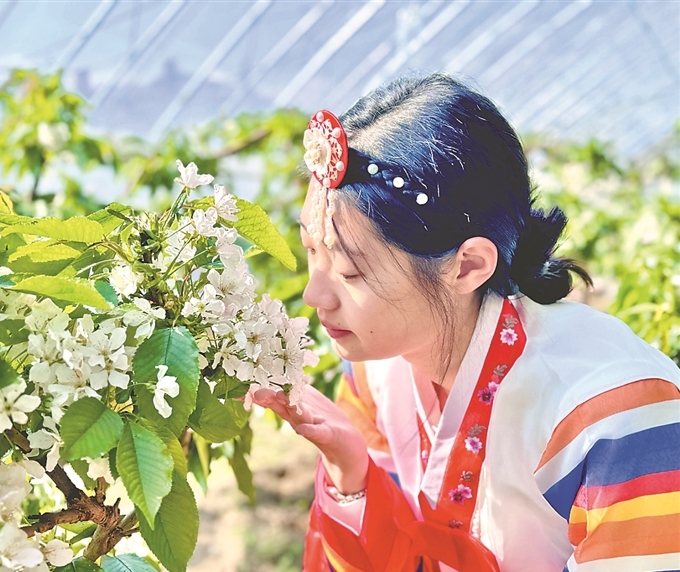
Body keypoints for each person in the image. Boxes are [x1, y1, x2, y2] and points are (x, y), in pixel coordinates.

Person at [251, 74, 680, 572]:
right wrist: (352, 474)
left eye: (350, 271)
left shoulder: (615, 416)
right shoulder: (374, 375)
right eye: (311, 249)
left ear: (469, 266)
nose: (314, 295)